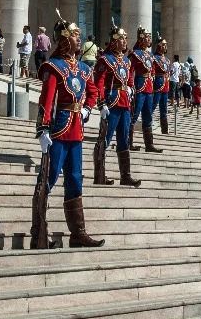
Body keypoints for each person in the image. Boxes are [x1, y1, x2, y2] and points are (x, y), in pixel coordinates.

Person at [31, 20, 104, 250]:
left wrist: (87, 108)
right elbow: (47, 99)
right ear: (64, 39)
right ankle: (38, 232)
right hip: (59, 129)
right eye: (74, 35)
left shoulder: (83, 68)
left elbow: (93, 91)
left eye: (78, 35)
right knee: (49, 177)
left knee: (75, 179)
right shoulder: (54, 67)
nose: (78, 39)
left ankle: (78, 233)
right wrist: (42, 129)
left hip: (76, 130)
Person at [92, 27, 140, 187]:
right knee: (105, 138)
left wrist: (132, 89)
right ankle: (99, 175)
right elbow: (98, 82)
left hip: (125, 102)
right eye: (121, 38)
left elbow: (130, 80)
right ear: (114, 41)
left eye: (125, 38)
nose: (125, 41)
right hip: (111, 102)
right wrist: (101, 103)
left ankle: (125, 176)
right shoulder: (105, 59)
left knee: (124, 139)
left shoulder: (126, 61)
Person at [128, 28, 163, 154]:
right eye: (147, 37)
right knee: (134, 114)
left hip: (149, 87)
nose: (149, 40)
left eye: (150, 37)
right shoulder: (135, 54)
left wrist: (153, 75)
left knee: (148, 116)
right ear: (142, 39)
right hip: (139, 86)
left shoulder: (151, 55)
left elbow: (152, 68)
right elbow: (130, 70)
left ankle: (149, 144)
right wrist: (130, 85)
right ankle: (128, 142)